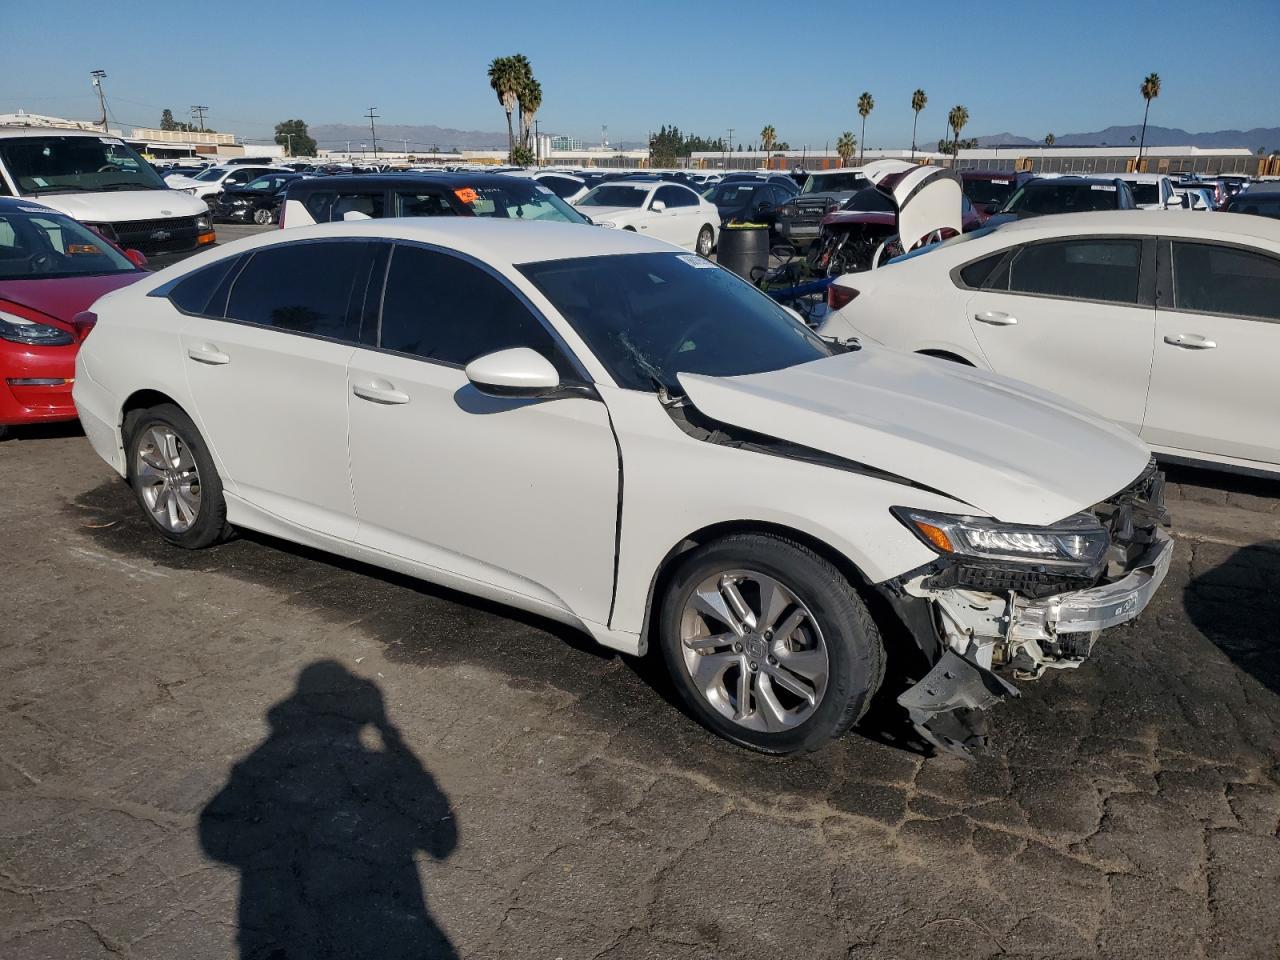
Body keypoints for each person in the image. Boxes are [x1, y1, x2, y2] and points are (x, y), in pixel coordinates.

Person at [200, 660, 458, 959]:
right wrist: (389, 733)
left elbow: (216, 833)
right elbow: (443, 840)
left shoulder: (266, 760)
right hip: (371, 928)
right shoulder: (375, 767)